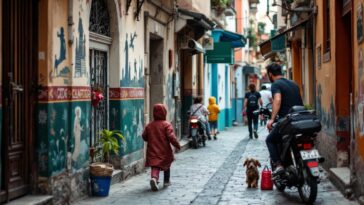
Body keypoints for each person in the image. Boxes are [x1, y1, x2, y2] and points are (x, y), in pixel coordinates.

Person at [265, 63, 303, 174]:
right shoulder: (294, 83)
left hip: (288, 120)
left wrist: (272, 119)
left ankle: (278, 165)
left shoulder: (276, 84)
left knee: (270, 140)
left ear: (270, 74)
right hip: (300, 118)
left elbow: (277, 100)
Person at [142, 104, 181, 191]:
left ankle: (154, 178)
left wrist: (150, 138)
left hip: (152, 150)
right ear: (164, 112)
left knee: (155, 166)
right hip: (164, 150)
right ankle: (166, 181)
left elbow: (144, 136)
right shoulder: (166, 125)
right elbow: (171, 137)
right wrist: (177, 145)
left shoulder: (149, 126)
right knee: (166, 164)